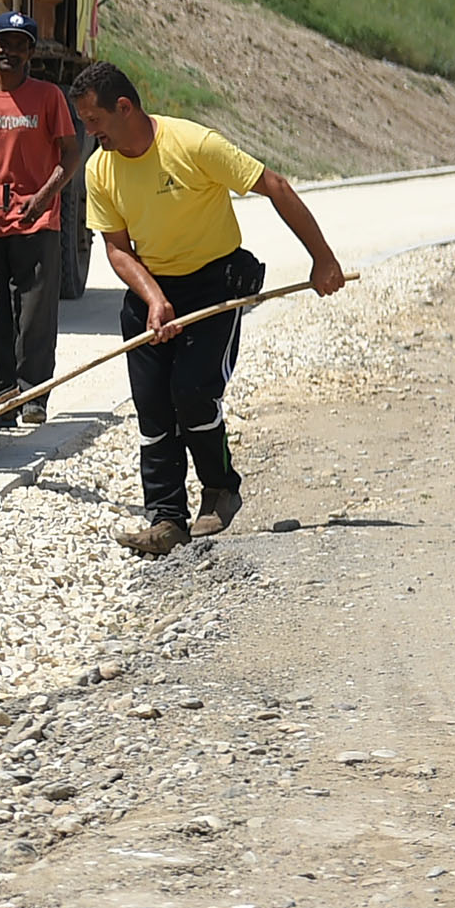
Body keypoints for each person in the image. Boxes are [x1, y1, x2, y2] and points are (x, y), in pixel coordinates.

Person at [70, 60, 347, 555]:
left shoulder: (194, 145)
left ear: (125, 108)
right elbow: (117, 248)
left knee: (193, 392)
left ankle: (220, 488)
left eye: (94, 121)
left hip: (212, 287)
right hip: (149, 291)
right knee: (153, 408)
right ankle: (166, 518)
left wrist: (322, 258)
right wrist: (154, 299)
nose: (89, 132)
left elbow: (276, 186)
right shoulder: (100, 169)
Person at [0, 13, 82, 422]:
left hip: (36, 219)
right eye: (3, 43)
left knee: (35, 313)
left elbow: (70, 156)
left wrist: (44, 196)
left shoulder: (49, 96)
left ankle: (32, 395)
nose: (9, 52)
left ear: (31, 53)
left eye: (19, 45)